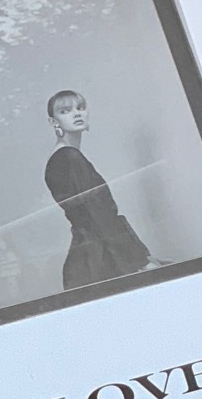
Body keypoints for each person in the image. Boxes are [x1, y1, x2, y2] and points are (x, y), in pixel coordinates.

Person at [43, 89, 151, 292]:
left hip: (95, 253)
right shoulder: (68, 158)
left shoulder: (67, 157)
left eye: (80, 107)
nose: (76, 113)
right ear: (53, 121)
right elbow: (100, 215)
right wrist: (140, 261)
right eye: (65, 111)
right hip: (98, 257)